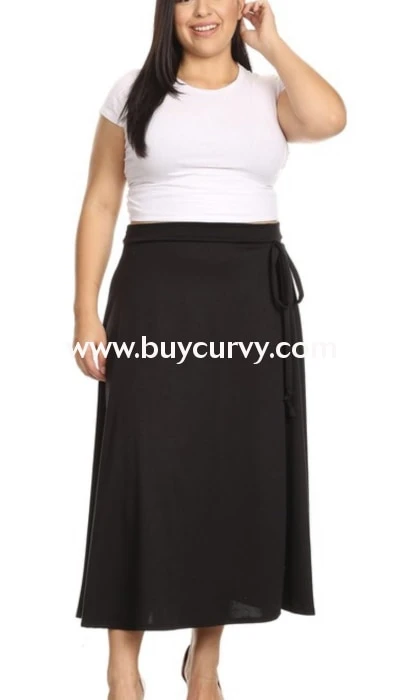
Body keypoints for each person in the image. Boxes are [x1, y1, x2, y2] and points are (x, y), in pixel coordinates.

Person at [72, 1, 346, 698]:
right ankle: (123, 668)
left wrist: (272, 43)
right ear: (167, 11)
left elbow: (330, 119)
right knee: (140, 469)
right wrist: (85, 311)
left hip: (250, 301)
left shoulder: (271, 94)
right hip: (154, 294)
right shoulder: (131, 92)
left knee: (228, 470)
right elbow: (101, 199)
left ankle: (205, 662)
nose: (202, 9)